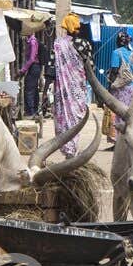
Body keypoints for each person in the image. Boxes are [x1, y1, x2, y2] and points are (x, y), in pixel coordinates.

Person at [51, 14, 90, 158]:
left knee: (64, 116)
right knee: (75, 117)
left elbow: (51, 69)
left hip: (62, 89)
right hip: (78, 87)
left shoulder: (57, 44)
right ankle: (72, 149)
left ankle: (69, 149)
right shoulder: (84, 44)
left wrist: (44, 91)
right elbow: (89, 67)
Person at [21, 25, 43, 116]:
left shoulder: (32, 41)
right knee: (33, 88)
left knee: (29, 89)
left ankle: (31, 111)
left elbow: (32, 58)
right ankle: (34, 110)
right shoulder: (29, 41)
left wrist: (23, 70)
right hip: (34, 67)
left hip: (34, 67)